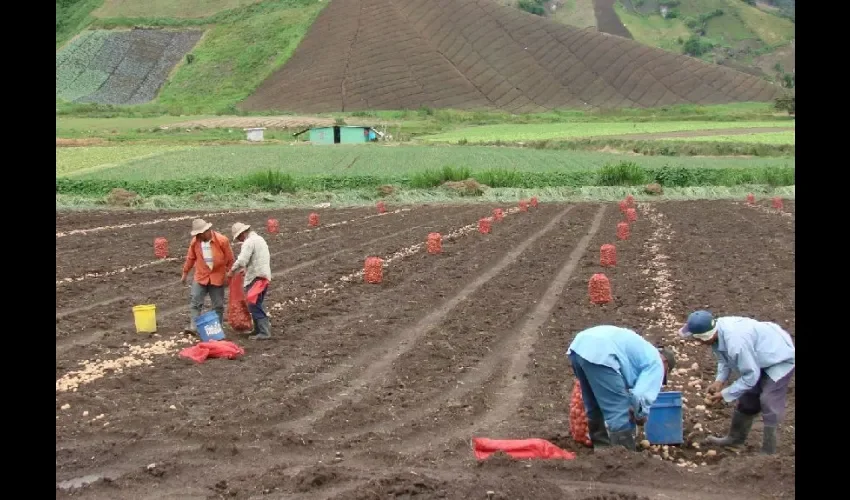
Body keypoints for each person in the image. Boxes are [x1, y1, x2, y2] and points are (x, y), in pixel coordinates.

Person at [679, 310, 795, 455]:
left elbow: (750, 376)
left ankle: (769, 453)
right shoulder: (717, 333)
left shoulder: (736, 343)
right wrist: (719, 381)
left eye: (697, 339)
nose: (697, 342)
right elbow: (724, 359)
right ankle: (735, 439)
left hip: (779, 357)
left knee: (768, 400)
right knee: (748, 398)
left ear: (705, 337)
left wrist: (724, 394)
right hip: (759, 353)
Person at [566, 325, 676, 451]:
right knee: (618, 411)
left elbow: (617, 385)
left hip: (579, 346)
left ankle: (602, 449)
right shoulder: (657, 363)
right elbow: (641, 396)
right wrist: (640, 414)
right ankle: (625, 457)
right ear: (665, 363)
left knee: (593, 403)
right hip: (600, 352)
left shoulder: (642, 352)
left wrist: (632, 403)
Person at [181, 218, 234, 332]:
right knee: (195, 301)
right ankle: (194, 327)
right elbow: (190, 258)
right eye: (197, 234)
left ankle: (217, 328)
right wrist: (185, 273)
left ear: (207, 230)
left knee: (218, 305)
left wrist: (229, 275)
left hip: (217, 276)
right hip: (201, 276)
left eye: (200, 234)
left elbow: (230, 259)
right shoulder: (195, 242)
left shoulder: (222, 240)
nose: (198, 236)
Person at [227, 222, 272, 340]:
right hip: (264, 275)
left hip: (256, 277)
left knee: (254, 305)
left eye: (238, 237)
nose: (239, 240)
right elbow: (258, 258)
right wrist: (246, 270)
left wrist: (232, 271)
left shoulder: (249, 242)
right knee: (256, 303)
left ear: (242, 234)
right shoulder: (259, 239)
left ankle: (264, 332)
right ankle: (258, 330)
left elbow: (242, 260)